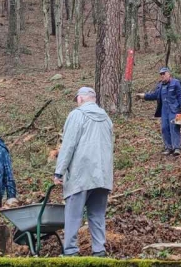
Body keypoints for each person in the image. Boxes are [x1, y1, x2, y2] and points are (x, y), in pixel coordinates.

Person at [54, 86, 113, 257]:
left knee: (73, 214)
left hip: (81, 174)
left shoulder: (77, 115)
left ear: (80, 99)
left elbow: (68, 145)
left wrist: (59, 171)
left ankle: (71, 251)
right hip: (102, 175)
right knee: (97, 214)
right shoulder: (106, 118)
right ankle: (99, 251)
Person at [137, 67, 181, 156]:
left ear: (169, 74)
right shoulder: (160, 85)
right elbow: (154, 95)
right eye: (161, 74)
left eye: (164, 73)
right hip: (164, 111)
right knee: (164, 129)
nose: (162, 75)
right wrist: (143, 96)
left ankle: (177, 148)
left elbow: (180, 96)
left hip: (176, 111)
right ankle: (168, 148)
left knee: (175, 127)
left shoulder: (176, 83)